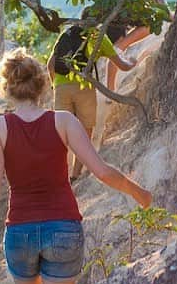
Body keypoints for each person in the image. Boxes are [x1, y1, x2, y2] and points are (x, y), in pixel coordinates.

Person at [0, 48, 152, 284]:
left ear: (6, 87)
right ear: (43, 83)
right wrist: (140, 194)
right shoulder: (63, 121)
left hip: (19, 233)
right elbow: (103, 172)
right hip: (63, 229)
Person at [46, 19, 137, 180]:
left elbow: (50, 65)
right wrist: (132, 63)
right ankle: (74, 175)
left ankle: (56, 173)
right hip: (84, 86)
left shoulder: (67, 34)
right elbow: (121, 65)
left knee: (60, 133)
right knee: (84, 131)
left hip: (61, 86)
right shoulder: (98, 36)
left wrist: (55, 85)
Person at [105, 0, 169, 93]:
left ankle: (110, 90)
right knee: (151, 24)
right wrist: (167, 14)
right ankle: (122, 46)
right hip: (121, 9)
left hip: (110, 5)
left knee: (116, 49)